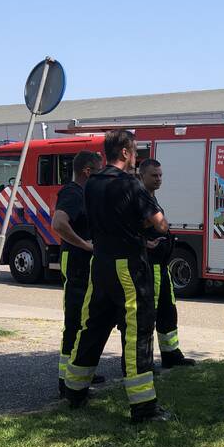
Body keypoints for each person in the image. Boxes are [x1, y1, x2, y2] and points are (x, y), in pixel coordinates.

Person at [64, 130, 172, 423]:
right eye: (135, 151)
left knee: (92, 327)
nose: (137, 156)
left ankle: (75, 390)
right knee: (138, 333)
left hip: (100, 265)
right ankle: (144, 407)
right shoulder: (130, 185)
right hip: (129, 268)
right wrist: (149, 230)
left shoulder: (92, 183)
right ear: (124, 152)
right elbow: (160, 225)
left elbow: (108, 220)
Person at [52, 150, 106, 398]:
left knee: (86, 319)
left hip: (87, 264)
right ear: (87, 171)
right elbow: (59, 223)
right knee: (74, 320)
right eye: (99, 169)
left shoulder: (86, 194)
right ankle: (66, 382)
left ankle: (80, 370)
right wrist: (85, 245)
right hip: (75, 262)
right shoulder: (72, 193)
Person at [137, 158, 195, 368]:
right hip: (147, 268)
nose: (159, 179)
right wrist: (144, 243)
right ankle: (144, 362)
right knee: (147, 315)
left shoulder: (151, 198)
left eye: (160, 175)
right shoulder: (137, 199)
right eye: (154, 175)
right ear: (141, 175)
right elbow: (126, 232)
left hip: (161, 267)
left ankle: (171, 355)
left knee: (168, 311)